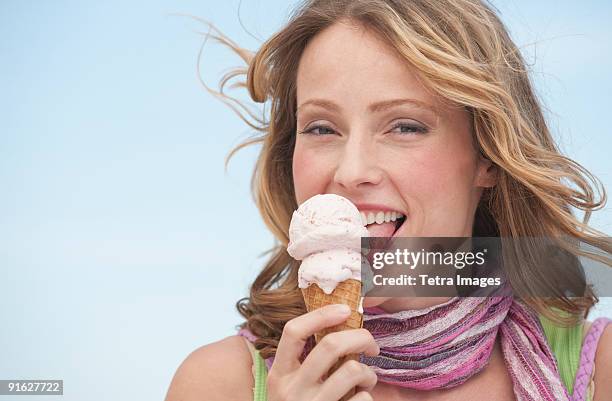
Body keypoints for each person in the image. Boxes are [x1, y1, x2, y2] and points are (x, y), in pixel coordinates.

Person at [164, 0, 612, 400]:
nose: (352, 171)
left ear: (487, 157)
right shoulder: (218, 384)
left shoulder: (599, 371)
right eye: (321, 128)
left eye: (405, 127)